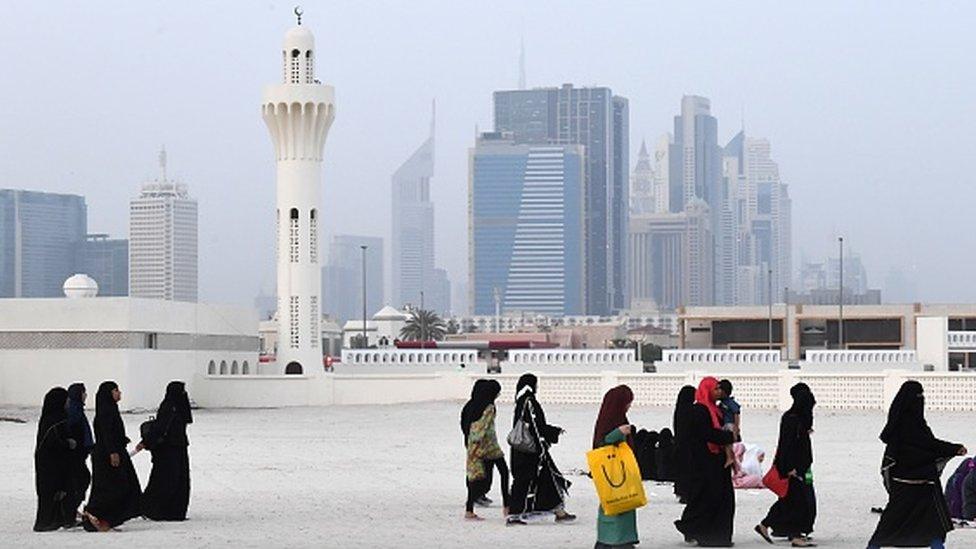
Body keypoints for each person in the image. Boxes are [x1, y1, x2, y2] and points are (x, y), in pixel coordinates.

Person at [867, 381, 967, 549]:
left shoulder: (897, 426)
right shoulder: (915, 427)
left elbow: (926, 446)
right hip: (922, 482)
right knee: (932, 521)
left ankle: (874, 546)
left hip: (903, 482)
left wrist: (952, 448)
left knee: (892, 520)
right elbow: (929, 446)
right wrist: (954, 449)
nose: (921, 400)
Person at [673, 377, 736, 547]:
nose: (718, 392)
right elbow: (706, 433)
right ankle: (705, 534)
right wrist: (728, 437)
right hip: (705, 461)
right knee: (708, 499)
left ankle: (718, 535)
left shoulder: (716, 410)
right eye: (715, 389)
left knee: (722, 499)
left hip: (717, 460)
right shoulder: (699, 411)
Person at [755, 383, 818, 547]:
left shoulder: (795, 418)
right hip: (793, 468)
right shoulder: (793, 420)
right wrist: (790, 468)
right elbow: (787, 446)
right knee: (798, 501)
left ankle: (765, 525)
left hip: (800, 467)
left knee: (789, 501)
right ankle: (796, 535)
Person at [507, 373, 575, 525]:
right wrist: (554, 432)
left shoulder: (520, 401)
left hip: (523, 449)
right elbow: (537, 426)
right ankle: (514, 514)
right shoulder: (530, 402)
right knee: (525, 481)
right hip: (530, 450)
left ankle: (559, 511)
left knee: (547, 477)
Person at [83, 381, 143, 532]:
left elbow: (112, 431)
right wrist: (113, 452)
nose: (119, 393)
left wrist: (122, 439)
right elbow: (106, 433)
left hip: (115, 451)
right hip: (107, 455)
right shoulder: (105, 411)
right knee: (111, 488)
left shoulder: (111, 408)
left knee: (122, 485)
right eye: (116, 390)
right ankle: (95, 516)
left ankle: (109, 518)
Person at [593, 385, 639, 548]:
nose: (629, 406)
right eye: (627, 402)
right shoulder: (610, 420)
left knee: (622, 505)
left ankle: (615, 540)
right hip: (612, 473)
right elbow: (602, 443)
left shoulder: (616, 417)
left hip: (620, 472)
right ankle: (615, 541)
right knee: (615, 507)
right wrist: (618, 432)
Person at [142, 381, 194, 521]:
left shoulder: (177, 406)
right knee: (167, 480)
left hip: (178, 447)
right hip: (168, 449)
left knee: (178, 480)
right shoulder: (169, 407)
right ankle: (157, 509)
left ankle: (174, 511)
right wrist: (148, 442)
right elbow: (162, 427)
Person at [461, 379, 509, 520]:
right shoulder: (489, 407)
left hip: (473, 445)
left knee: (474, 477)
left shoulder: (470, 405)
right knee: (504, 472)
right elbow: (483, 428)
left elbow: (466, 425)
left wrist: (471, 445)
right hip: (489, 447)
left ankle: (469, 509)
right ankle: (507, 506)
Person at [33, 387, 77, 532]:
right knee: (51, 491)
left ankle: (56, 518)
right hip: (50, 463)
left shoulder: (52, 417)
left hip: (52, 461)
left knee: (56, 490)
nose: (68, 403)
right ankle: (47, 521)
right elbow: (54, 441)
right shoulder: (55, 420)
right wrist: (68, 443)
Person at [65, 383, 94, 524]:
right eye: (83, 392)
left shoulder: (76, 409)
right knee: (81, 480)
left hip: (79, 453)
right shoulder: (73, 410)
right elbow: (75, 430)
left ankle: (71, 509)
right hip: (76, 454)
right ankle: (69, 511)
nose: (85, 395)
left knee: (82, 479)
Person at [672, 385, 697, 502]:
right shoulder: (691, 410)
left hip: (679, 443)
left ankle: (682, 492)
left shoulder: (679, 409)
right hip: (689, 445)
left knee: (682, 469)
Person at [718, 379, 741, 470]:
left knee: (728, 443)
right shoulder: (722, 403)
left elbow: (736, 414)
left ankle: (729, 458)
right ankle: (733, 462)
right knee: (728, 445)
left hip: (729, 425)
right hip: (726, 424)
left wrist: (736, 428)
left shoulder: (730, 403)